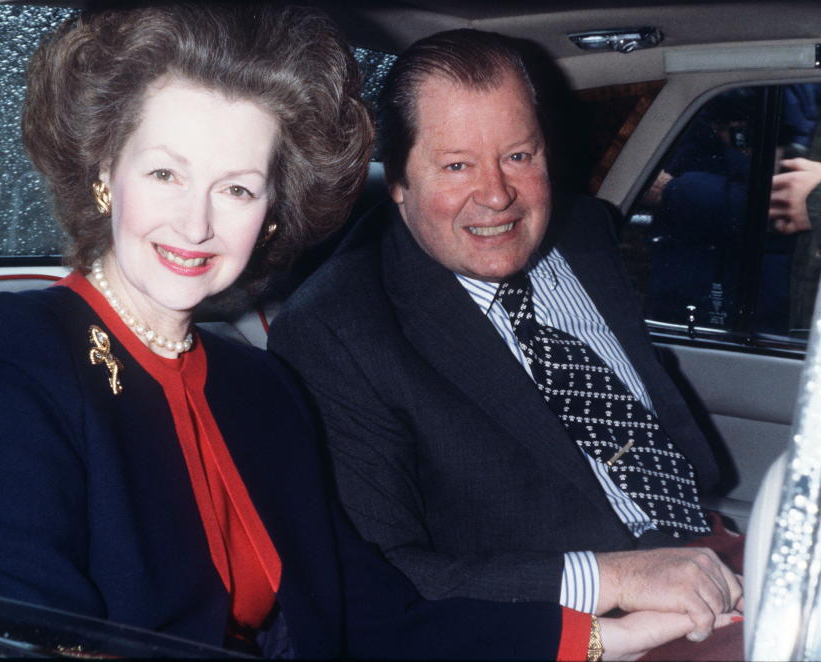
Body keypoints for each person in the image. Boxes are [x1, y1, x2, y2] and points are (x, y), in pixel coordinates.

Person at [0, 5, 710, 660]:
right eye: (165, 173)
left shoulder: (256, 388)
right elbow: (11, 639)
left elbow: (372, 616)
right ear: (102, 171)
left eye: (237, 187)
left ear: (270, 214)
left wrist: (604, 639)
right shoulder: (19, 352)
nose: (196, 221)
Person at [268, 27, 744, 657]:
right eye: (457, 165)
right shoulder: (335, 331)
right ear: (400, 181)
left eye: (519, 156)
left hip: (707, 547)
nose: (496, 195)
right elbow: (380, 577)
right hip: (557, 623)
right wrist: (614, 576)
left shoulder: (585, 233)